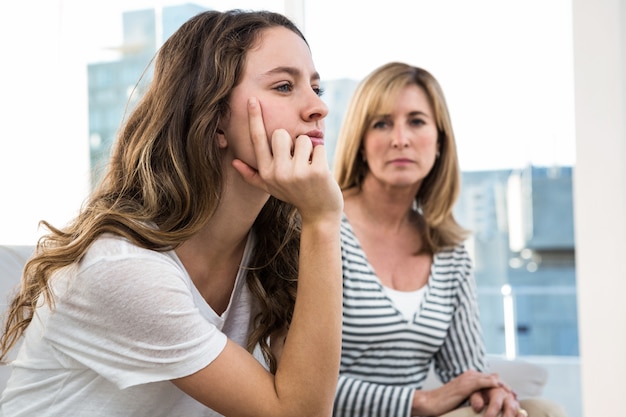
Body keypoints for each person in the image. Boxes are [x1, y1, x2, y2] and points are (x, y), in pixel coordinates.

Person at [0, 9, 343, 417]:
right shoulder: (124, 268)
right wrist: (323, 220)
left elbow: (308, 391)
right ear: (214, 117)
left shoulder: (274, 248)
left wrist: (317, 223)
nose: (317, 108)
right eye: (284, 86)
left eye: (316, 89)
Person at [331, 62, 567, 417]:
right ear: (360, 142)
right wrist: (419, 402)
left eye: (416, 121)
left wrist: (494, 393)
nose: (400, 139)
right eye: (381, 123)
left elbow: (465, 372)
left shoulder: (449, 250)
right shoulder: (323, 226)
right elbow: (295, 380)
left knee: (540, 410)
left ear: (439, 141)